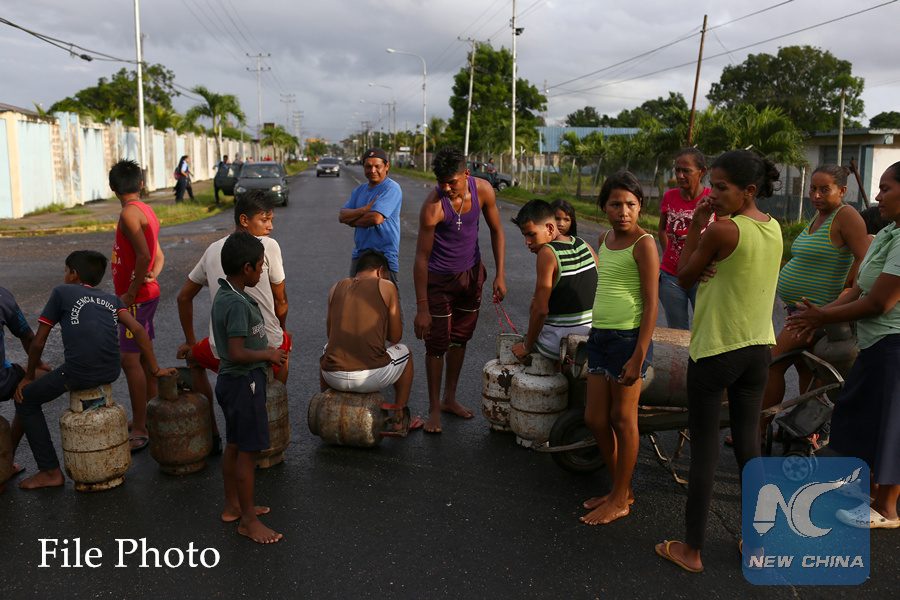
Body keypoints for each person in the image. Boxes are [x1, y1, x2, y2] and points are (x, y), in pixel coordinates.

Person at [655, 149, 782, 573]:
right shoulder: (773, 227)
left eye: (722, 188)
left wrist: (696, 225)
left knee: (706, 450)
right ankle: (758, 544)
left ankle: (692, 550)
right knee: (748, 446)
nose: (712, 194)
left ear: (749, 190)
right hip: (757, 351)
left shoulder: (723, 230)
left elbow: (682, 276)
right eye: (712, 185)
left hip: (716, 352)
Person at [787, 161, 900, 530]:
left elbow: (879, 302)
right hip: (876, 341)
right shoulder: (889, 233)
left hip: (894, 344)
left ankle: (887, 509)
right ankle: (868, 490)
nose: (878, 196)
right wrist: (821, 314)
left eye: (886, 188)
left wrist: (823, 316)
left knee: (890, 426)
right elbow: (859, 288)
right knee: (860, 415)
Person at [14, 251, 174, 489]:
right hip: (111, 371)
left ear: (73, 274)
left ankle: (49, 472)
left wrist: (28, 377)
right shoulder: (112, 299)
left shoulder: (62, 292)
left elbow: (38, 342)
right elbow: (139, 330)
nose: (65, 275)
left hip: (78, 372)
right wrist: (155, 369)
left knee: (26, 400)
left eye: (66, 270)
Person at [753, 164, 868, 444]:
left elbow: (865, 259)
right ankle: (806, 432)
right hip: (801, 311)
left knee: (771, 364)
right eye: (813, 188)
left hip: (816, 315)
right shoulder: (819, 216)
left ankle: (758, 431)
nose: (816, 195)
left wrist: (846, 295)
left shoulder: (846, 216)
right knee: (808, 372)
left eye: (824, 189)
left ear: (842, 190)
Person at [176, 191, 291, 453]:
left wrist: (190, 341)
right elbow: (281, 299)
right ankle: (268, 416)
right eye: (265, 220)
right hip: (265, 349)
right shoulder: (267, 246)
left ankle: (212, 433)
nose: (270, 227)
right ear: (244, 220)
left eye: (271, 220)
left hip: (223, 353)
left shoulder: (213, 249)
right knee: (283, 349)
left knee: (193, 359)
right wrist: (282, 330)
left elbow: (183, 297)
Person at [580, 171, 658, 525]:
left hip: (628, 340)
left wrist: (639, 354)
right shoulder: (604, 238)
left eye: (630, 204)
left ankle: (619, 498)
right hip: (599, 336)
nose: (623, 211)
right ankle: (620, 491)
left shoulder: (644, 243)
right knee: (595, 418)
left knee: (622, 419)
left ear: (640, 206)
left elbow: (651, 303)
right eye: (615, 204)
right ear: (604, 207)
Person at [413, 146, 506, 434]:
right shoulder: (433, 206)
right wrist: (422, 307)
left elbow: (496, 230)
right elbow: (421, 259)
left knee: (460, 338)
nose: (446, 188)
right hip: (440, 281)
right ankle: (434, 408)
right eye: (440, 182)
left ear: (466, 173)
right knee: (436, 343)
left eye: (451, 181)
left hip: (472, 275)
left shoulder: (483, 190)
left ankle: (449, 398)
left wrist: (500, 274)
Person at [211, 232, 287, 543]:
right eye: (260, 266)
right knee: (248, 451)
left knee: (234, 445)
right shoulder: (236, 303)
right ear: (246, 268)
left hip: (233, 383)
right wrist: (269, 354)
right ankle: (248, 521)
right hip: (244, 383)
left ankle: (235, 505)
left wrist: (264, 350)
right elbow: (236, 353)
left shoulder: (230, 293)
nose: (261, 272)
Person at [320, 251, 422, 429]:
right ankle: (399, 419)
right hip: (370, 377)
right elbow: (395, 337)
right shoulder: (386, 285)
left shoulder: (335, 287)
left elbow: (331, 334)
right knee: (406, 353)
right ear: (380, 271)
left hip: (332, 376)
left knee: (327, 349)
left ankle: (326, 411)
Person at [110, 159, 165, 453]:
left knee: (130, 361)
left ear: (112, 187)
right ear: (141, 184)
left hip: (137, 300)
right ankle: (149, 417)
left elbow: (144, 255)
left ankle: (142, 427)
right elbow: (158, 255)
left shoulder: (129, 213)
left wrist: (130, 294)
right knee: (144, 358)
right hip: (146, 294)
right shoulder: (145, 210)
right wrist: (153, 273)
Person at [510, 199, 597, 362]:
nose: (527, 242)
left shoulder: (547, 253)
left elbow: (541, 311)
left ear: (550, 228)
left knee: (513, 353)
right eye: (525, 236)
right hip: (589, 340)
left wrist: (526, 347)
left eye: (531, 234)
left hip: (558, 345)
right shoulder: (584, 244)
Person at [657, 148, 713, 330]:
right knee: (677, 331)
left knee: (704, 328)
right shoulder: (669, 197)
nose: (680, 175)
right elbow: (662, 229)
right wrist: (669, 254)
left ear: (701, 172)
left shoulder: (712, 199)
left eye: (686, 171)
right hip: (671, 277)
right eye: (677, 170)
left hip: (702, 278)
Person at [0, 286, 51, 479]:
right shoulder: (2, 296)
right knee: (39, 379)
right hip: (1, 381)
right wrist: (37, 365)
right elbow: (28, 336)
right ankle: (8, 455)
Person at [338, 148, 403, 285]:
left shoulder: (391, 188)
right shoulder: (359, 191)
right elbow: (342, 216)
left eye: (377, 166)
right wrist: (364, 209)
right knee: (355, 295)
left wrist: (353, 221)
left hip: (384, 256)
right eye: (368, 166)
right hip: (360, 255)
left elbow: (376, 219)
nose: (372, 170)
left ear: (386, 166)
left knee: (387, 297)